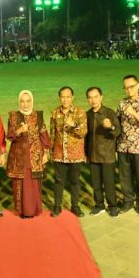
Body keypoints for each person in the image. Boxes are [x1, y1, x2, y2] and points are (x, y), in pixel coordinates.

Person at [6, 90, 50, 218]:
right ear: (19, 102)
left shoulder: (38, 116)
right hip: (19, 157)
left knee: (33, 184)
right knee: (20, 183)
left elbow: (44, 135)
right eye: (22, 101)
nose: (25, 104)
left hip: (35, 156)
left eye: (28, 101)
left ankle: (34, 210)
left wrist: (46, 153)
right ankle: (22, 211)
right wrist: (19, 130)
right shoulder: (13, 116)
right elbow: (9, 135)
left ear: (32, 101)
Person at [116, 75, 139, 215]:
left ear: (138, 85)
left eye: (131, 87)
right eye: (125, 88)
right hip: (123, 145)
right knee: (125, 176)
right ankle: (128, 201)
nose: (128, 90)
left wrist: (134, 113)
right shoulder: (122, 103)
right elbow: (117, 122)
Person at [50, 86, 87, 217]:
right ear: (59, 98)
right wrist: (51, 153)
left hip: (75, 154)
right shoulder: (55, 113)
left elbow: (83, 133)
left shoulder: (80, 112)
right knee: (58, 181)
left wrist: (74, 125)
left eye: (68, 97)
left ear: (72, 97)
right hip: (59, 154)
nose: (65, 100)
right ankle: (57, 206)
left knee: (75, 181)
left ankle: (75, 206)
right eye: (62, 97)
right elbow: (52, 134)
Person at [85, 86, 120, 217]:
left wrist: (110, 126)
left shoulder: (109, 113)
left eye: (96, 97)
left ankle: (113, 206)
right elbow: (86, 136)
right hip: (93, 155)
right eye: (90, 97)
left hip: (107, 155)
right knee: (96, 183)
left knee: (109, 183)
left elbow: (118, 131)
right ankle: (99, 205)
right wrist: (85, 153)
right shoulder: (87, 114)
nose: (93, 100)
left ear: (101, 97)